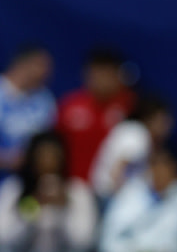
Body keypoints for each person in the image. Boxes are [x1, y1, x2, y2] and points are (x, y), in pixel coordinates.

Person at [55, 48, 135, 183]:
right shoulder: (70, 106)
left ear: (118, 75)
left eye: (107, 73)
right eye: (97, 73)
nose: (102, 80)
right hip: (75, 187)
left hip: (115, 189)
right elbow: (55, 148)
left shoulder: (130, 106)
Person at [0, 45, 56, 194]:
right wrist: (9, 161)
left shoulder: (44, 101)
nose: (46, 73)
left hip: (27, 189)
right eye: (41, 66)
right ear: (22, 64)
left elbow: (49, 147)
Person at [90, 94, 173, 200]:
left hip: (103, 191)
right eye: (164, 121)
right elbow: (118, 168)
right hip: (108, 194)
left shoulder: (132, 130)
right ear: (151, 119)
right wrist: (119, 197)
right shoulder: (138, 135)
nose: (168, 127)